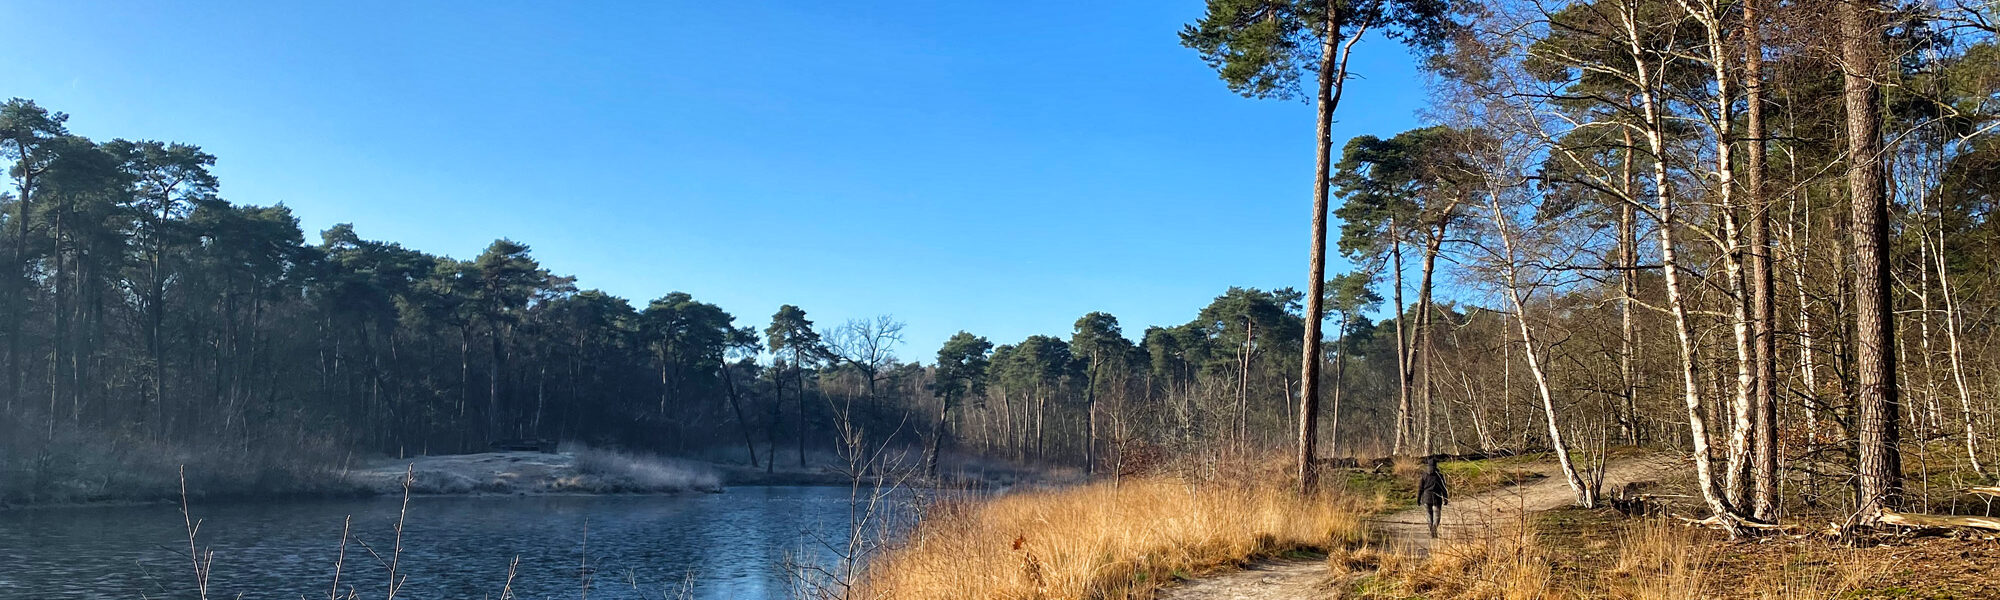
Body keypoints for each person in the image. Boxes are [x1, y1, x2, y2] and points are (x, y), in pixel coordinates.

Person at [1417, 458, 1449, 538]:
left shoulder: (1424, 475)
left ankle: (1431, 529)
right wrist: (1445, 498)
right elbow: (1443, 488)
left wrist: (1418, 498)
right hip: (1436, 498)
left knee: (1429, 515)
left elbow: (1420, 488)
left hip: (1426, 498)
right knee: (1437, 516)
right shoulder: (1439, 476)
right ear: (1436, 465)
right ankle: (1434, 528)